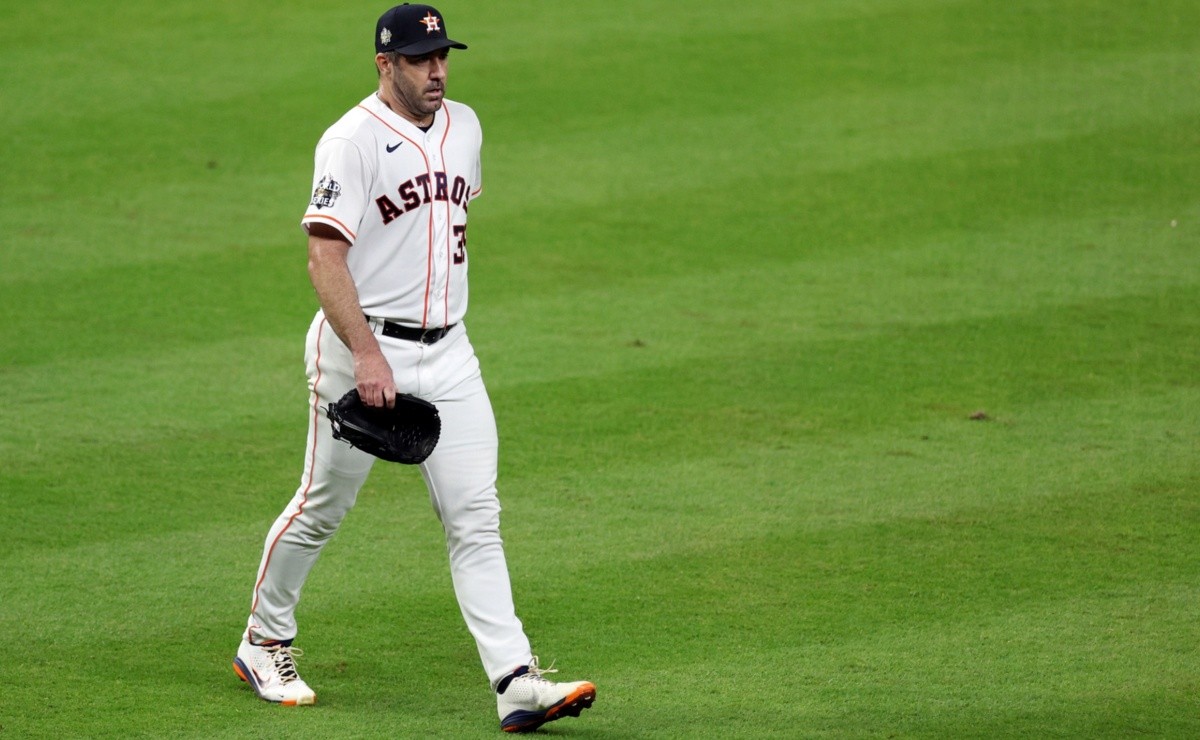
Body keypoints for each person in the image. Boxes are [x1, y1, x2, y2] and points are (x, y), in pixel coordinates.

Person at [231, 4, 596, 733]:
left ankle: (515, 680)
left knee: (475, 517)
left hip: (451, 351)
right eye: (420, 59)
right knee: (322, 506)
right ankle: (263, 641)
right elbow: (323, 256)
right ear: (384, 65)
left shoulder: (466, 125)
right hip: (361, 350)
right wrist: (366, 352)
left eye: (442, 56)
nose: (437, 71)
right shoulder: (351, 141)